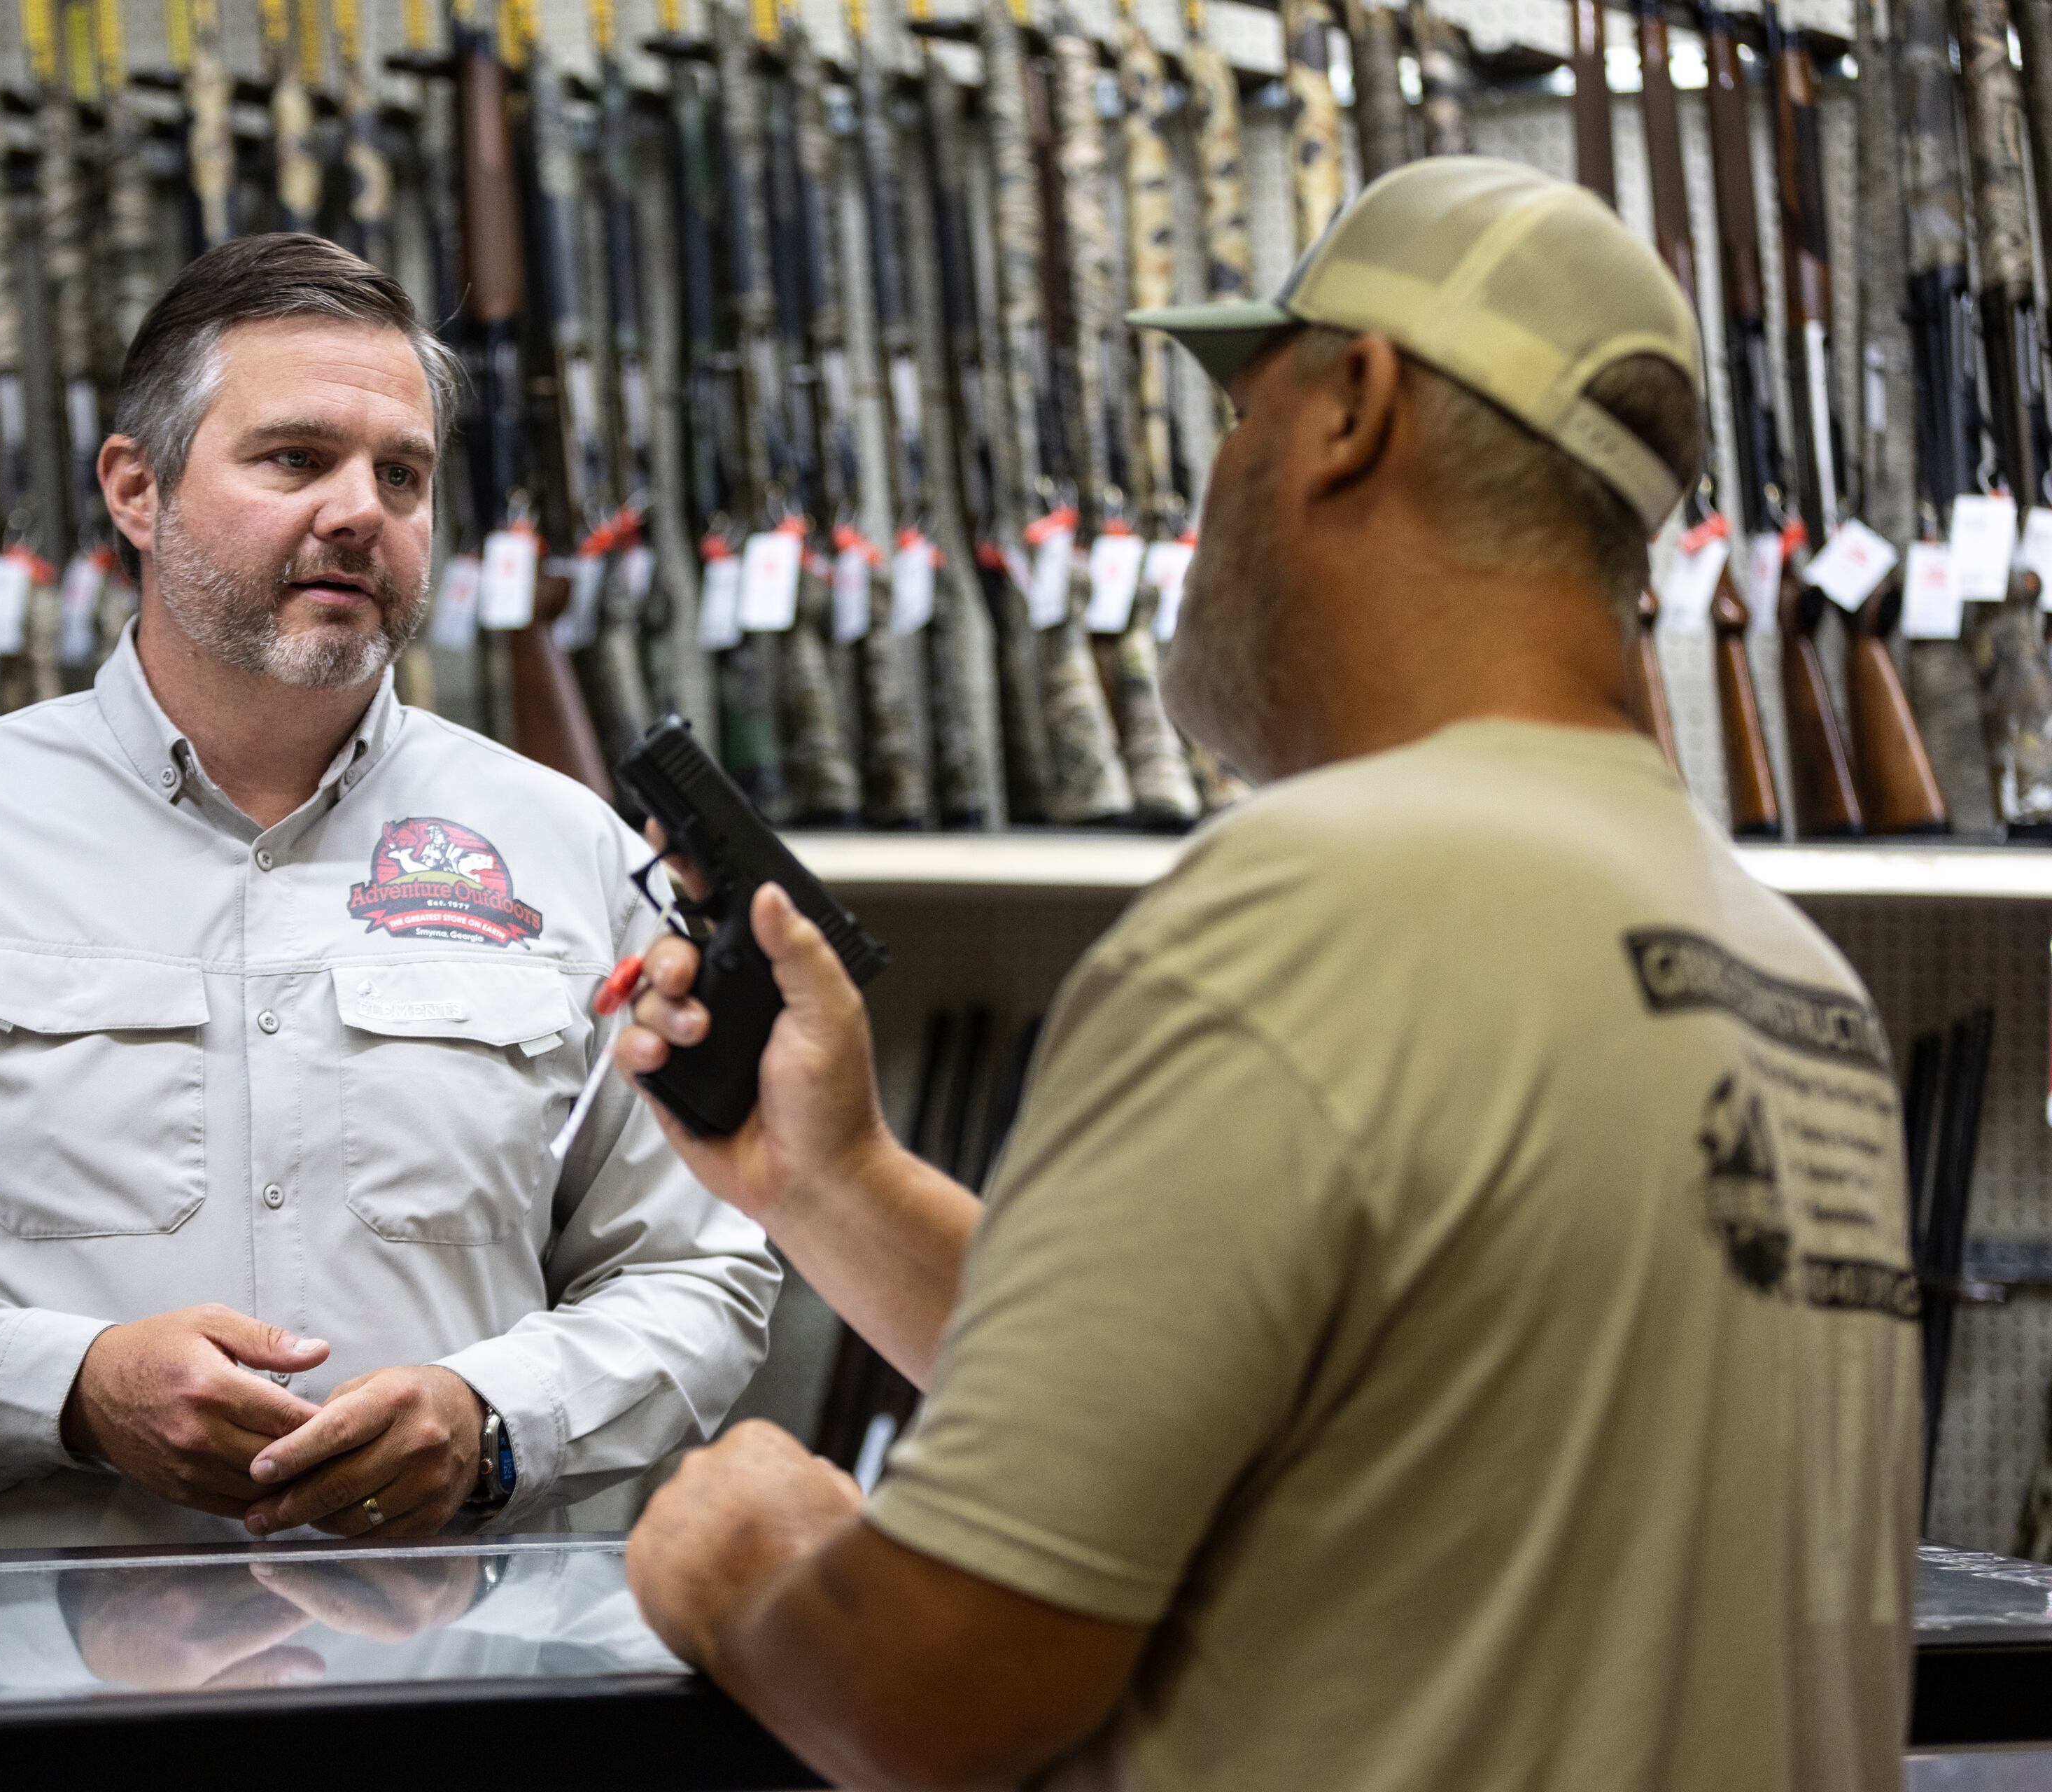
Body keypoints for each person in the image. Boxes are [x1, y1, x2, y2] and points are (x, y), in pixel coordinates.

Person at [613, 158, 1919, 1791]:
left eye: (1238, 415)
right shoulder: (1793, 982)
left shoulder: (1305, 914)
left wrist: (750, 1563)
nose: (1208, 490)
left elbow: (927, 1693)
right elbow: (1329, 1409)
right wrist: (833, 1176)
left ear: (1354, 404)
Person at [0, 234, 779, 1553]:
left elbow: (698, 1272)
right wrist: (66, 1389)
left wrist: (496, 1418)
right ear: (137, 486)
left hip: (458, 1684)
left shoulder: (569, 853)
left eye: (400, 475)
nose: (360, 509)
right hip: (28, 1704)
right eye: (296, 459)